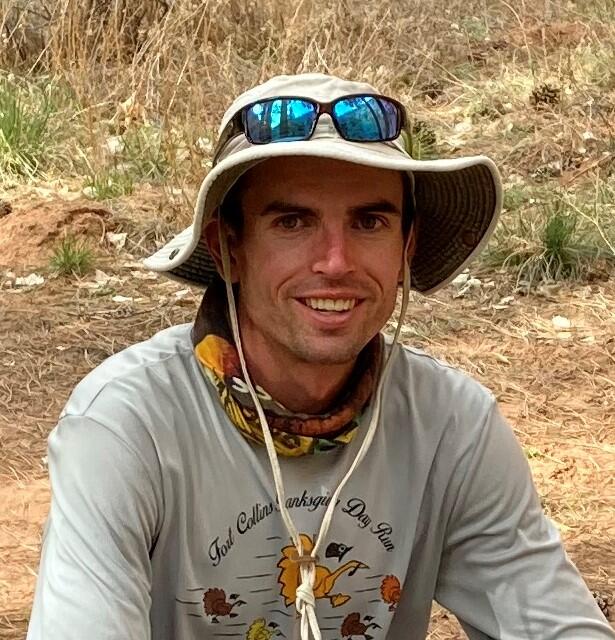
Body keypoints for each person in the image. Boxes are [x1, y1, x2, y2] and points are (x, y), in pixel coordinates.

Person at [27, 73, 613, 640]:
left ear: (406, 248)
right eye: (292, 221)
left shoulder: (450, 427)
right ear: (228, 249)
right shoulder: (129, 426)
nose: (335, 261)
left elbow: (552, 620)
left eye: (369, 221)